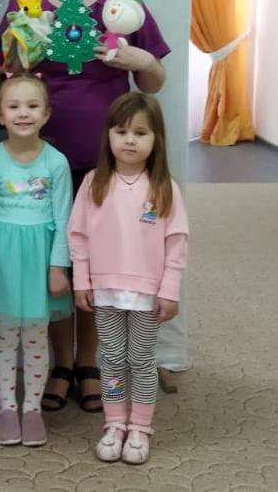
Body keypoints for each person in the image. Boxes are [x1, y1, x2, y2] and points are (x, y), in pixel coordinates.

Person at [0, 0, 171, 413]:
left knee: (101, 261)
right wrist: (22, 53)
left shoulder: (123, 3)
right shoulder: (25, 4)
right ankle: (61, 363)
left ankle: (91, 362)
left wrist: (139, 58)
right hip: (39, 160)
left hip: (109, 161)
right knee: (54, 261)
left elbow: (154, 82)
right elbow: (4, 75)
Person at [68, 92, 188, 464]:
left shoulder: (164, 186)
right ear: (109, 136)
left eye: (140, 133)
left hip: (147, 294)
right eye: (121, 132)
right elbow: (78, 235)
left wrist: (170, 290)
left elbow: (177, 242)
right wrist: (82, 281)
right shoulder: (93, 183)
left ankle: (140, 427)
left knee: (141, 359)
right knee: (112, 359)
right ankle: (115, 423)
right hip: (105, 292)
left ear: (156, 139)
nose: (130, 140)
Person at [0, 74, 73, 448]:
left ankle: (32, 409)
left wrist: (58, 267)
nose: (23, 113)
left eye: (32, 106)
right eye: (14, 106)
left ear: (46, 114)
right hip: (4, 260)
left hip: (40, 262)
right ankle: (7, 408)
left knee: (35, 336)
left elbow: (63, 217)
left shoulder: (56, 162)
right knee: (5, 337)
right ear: (0, 115)